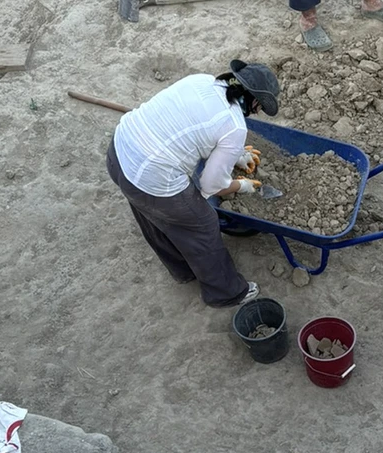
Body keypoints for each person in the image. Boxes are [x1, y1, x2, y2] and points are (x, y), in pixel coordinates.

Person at [106, 59, 281, 308]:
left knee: (152, 213)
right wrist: (241, 185)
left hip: (119, 152)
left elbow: (194, 127)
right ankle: (226, 293)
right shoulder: (234, 127)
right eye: (259, 106)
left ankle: (183, 269)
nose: (257, 111)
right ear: (252, 100)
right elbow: (210, 186)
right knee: (202, 224)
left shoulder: (200, 80)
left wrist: (235, 154)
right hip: (151, 176)